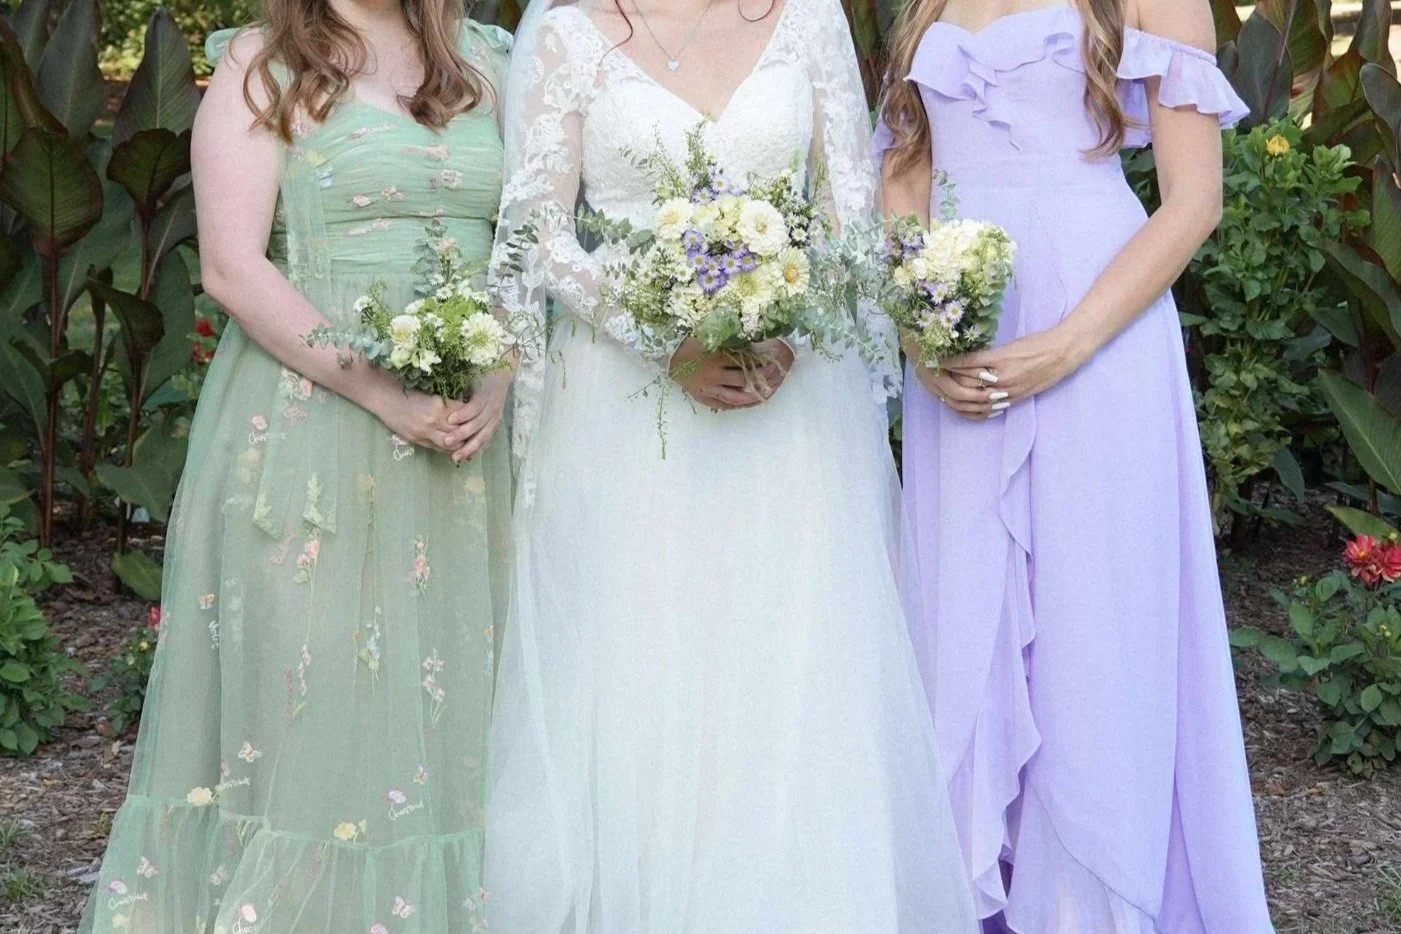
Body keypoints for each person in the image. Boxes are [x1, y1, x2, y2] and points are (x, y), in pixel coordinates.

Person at [476, 0, 980, 927]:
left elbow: (850, 211)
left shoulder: (807, 16)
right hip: (624, 409)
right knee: (638, 660)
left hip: (794, 407)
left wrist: (786, 326)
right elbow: (536, 232)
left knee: (792, 655)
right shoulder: (565, 28)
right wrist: (661, 335)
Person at [79, 1, 513, 929]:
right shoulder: (261, 64)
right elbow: (234, 270)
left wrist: (502, 375)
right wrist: (384, 393)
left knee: (464, 701)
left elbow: (524, 241)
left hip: (474, 440)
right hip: (314, 418)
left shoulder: (490, 61)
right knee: (313, 694)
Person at [876, 0, 1274, 930]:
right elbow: (903, 176)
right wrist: (915, 328)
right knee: (966, 595)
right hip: (964, 329)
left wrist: (1069, 342)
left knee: (1096, 609)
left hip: (1100, 331)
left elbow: (1193, 200)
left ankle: (1094, 898)